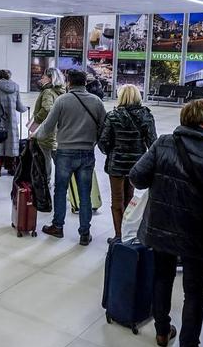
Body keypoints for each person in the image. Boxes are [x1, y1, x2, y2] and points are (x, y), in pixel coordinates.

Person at [129, 99, 203, 347]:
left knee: (162, 277)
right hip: (196, 235)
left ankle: (162, 330)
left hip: (161, 227)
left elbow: (137, 177)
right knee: (194, 293)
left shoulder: (165, 142)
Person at [33, 69, 105, 245]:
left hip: (65, 152)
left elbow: (48, 126)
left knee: (60, 190)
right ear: (85, 83)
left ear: (69, 83)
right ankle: (84, 233)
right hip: (87, 153)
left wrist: (35, 136)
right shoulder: (96, 102)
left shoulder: (62, 100)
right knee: (84, 194)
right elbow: (104, 127)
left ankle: (57, 227)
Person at [97, 84, 156, 243]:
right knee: (130, 200)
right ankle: (129, 235)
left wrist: (112, 151)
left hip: (116, 164)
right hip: (137, 165)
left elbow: (103, 142)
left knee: (117, 201)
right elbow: (153, 143)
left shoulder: (113, 116)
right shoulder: (146, 116)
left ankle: (119, 236)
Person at [29, 68, 65, 185]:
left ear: (50, 78)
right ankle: (62, 182)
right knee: (58, 159)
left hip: (47, 130)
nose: (41, 79)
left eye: (44, 77)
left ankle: (46, 181)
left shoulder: (48, 92)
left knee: (46, 157)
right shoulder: (62, 91)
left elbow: (47, 109)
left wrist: (37, 119)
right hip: (58, 130)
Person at [0, 69, 26, 176]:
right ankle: (11, 168)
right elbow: (19, 106)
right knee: (11, 144)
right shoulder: (16, 87)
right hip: (12, 121)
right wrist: (26, 109)